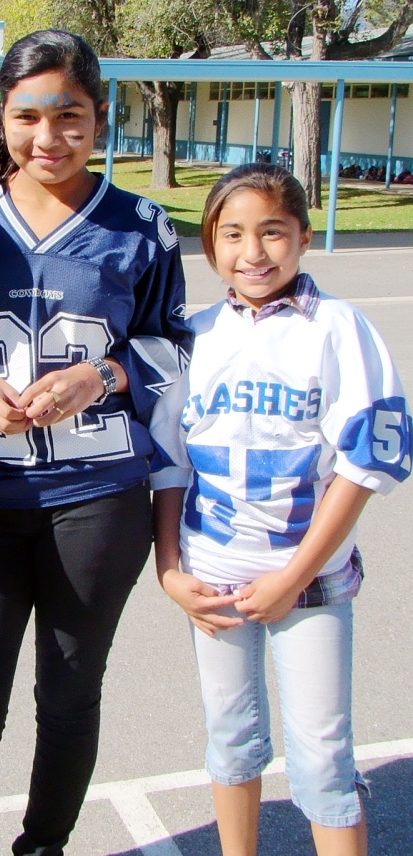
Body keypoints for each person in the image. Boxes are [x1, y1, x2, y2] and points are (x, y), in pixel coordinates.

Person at [0, 29, 192, 856]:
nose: (50, 137)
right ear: (1, 117)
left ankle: (43, 848)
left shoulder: (142, 225)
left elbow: (177, 343)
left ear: (101, 115)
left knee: (69, 699)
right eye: (28, 116)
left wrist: (104, 376)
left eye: (70, 115)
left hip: (99, 501)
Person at [149, 162, 412, 856]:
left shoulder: (337, 328)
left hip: (309, 581)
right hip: (213, 579)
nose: (252, 252)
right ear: (209, 243)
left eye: (272, 232)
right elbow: (170, 461)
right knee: (231, 739)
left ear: (302, 235)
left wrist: (293, 577)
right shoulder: (194, 335)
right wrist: (170, 569)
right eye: (232, 234)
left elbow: (364, 462)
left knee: (322, 754)